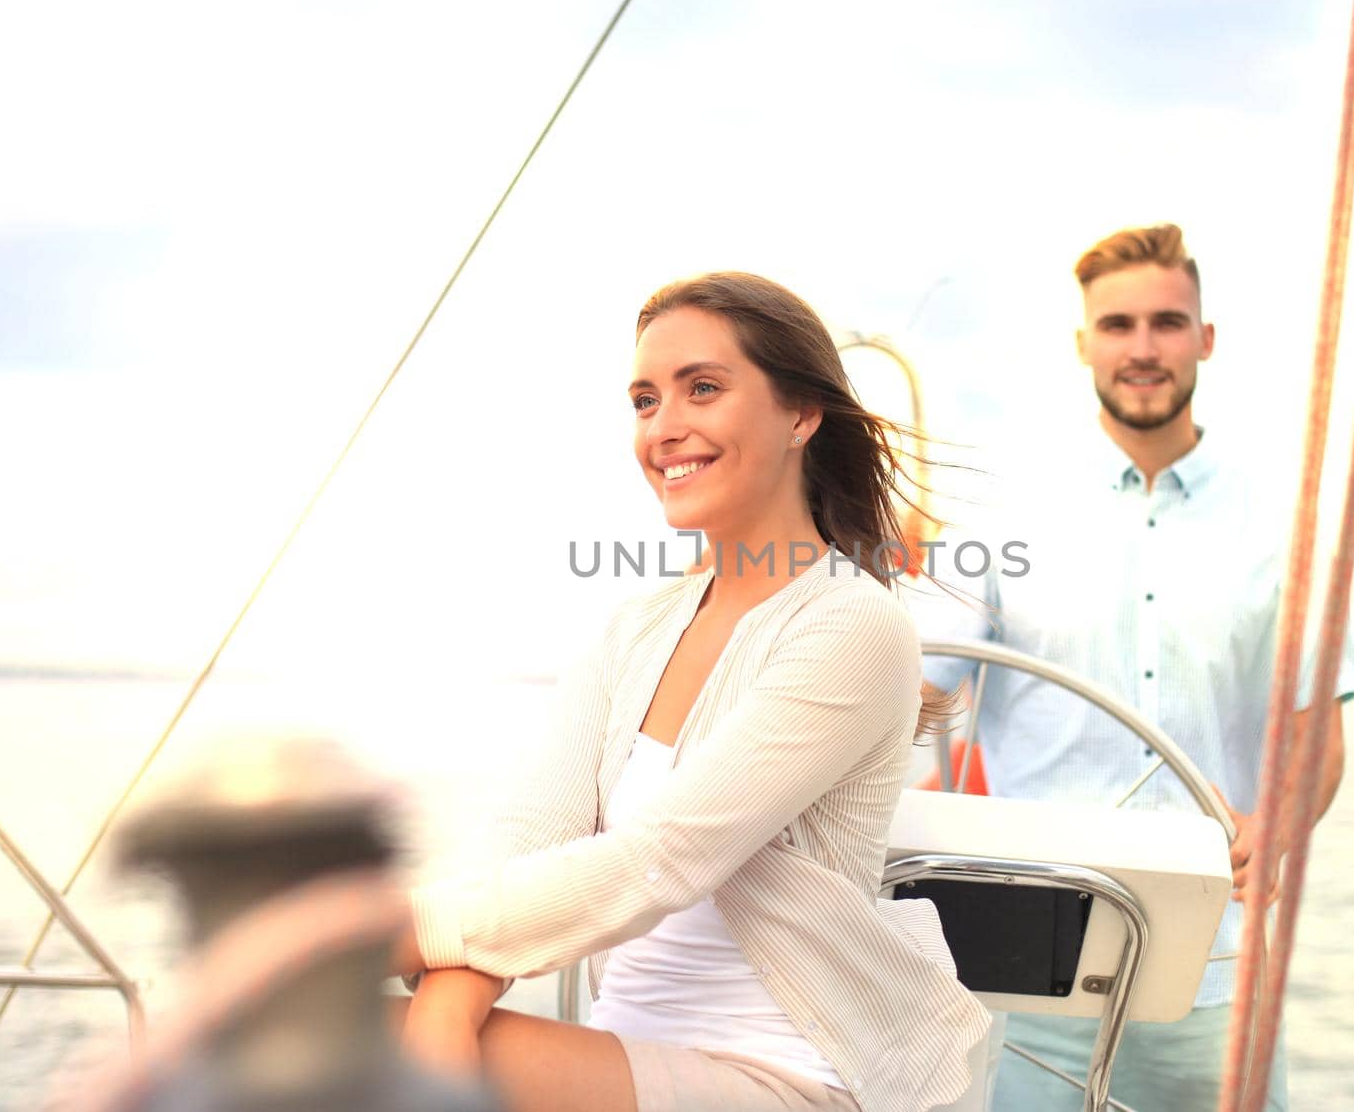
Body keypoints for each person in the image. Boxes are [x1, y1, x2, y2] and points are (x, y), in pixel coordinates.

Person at [392, 272, 990, 1112]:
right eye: (644, 401)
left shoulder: (852, 625)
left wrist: (399, 930)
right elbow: (532, 833)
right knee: (320, 1039)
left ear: (801, 415)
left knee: (331, 1043)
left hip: (787, 1074)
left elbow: (660, 862)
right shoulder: (635, 626)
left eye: (702, 389)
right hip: (631, 1054)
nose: (665, 428)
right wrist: (445, 1011)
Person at [915, 224, 1354, 1112]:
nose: (1144, 348)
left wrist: (1275, 821)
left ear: (1205, 339)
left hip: (1222, 972)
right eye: (1118, 326)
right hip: (1033, 967)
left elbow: (1320, 732)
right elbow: (921, 692)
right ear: (1084, 344)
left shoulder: (1286, 518)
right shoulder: (1000, 509)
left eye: (1167, 322)